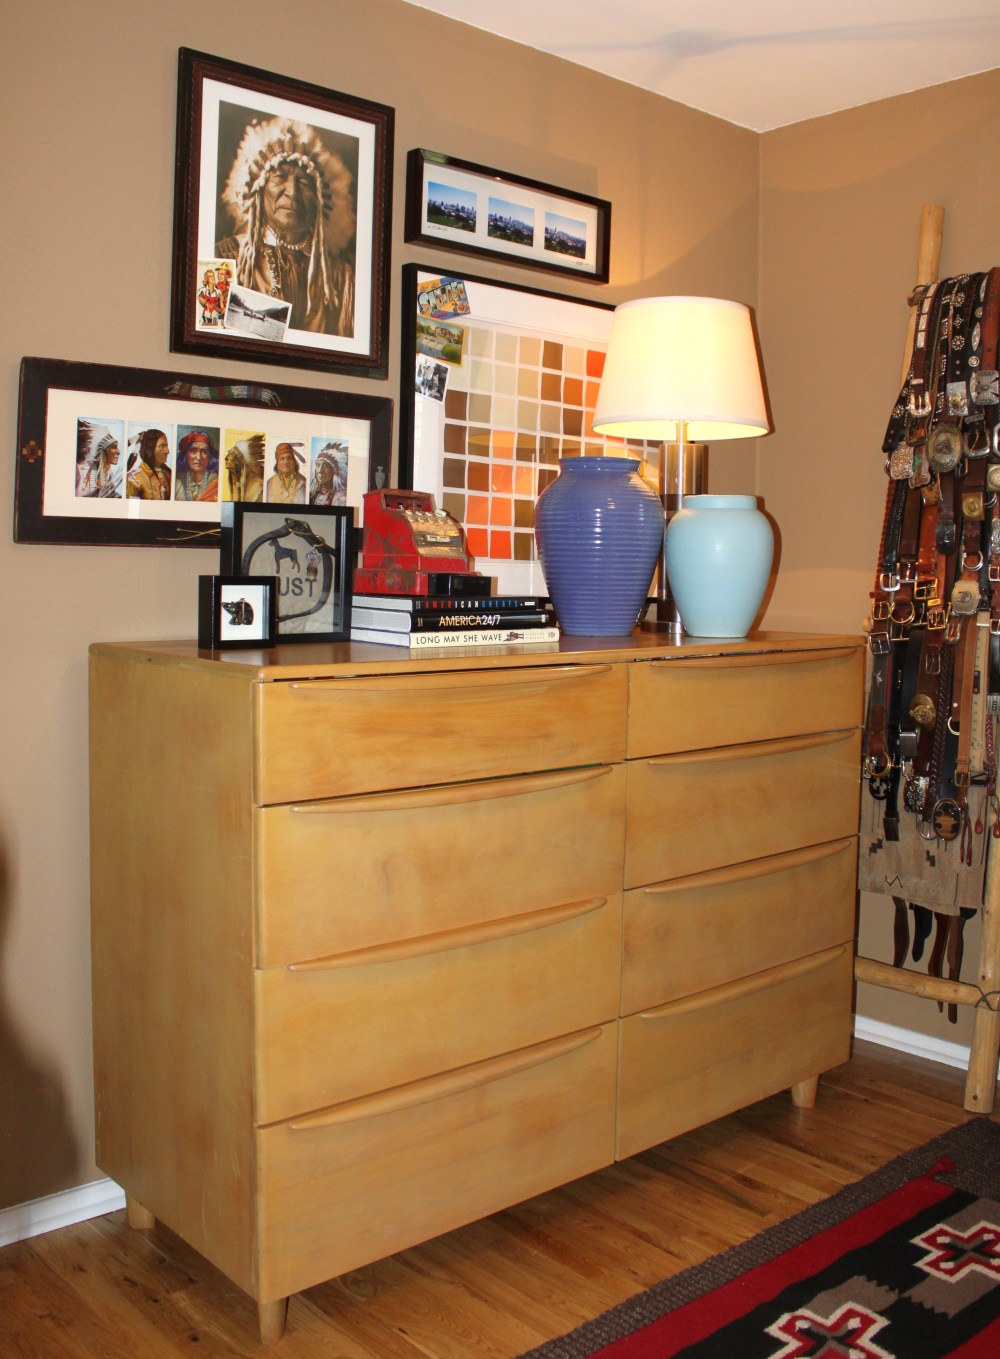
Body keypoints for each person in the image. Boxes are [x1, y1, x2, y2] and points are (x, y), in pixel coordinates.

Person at [216, 117, 356, 337]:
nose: (292, 192)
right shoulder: (226, 257)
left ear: (320, 200)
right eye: (280, 177)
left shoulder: (339, 277)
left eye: (304, 183)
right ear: (258, 191)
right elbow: (208, 332)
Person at [75, 421, 121, 498]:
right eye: (113, 447)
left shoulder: (107, 475)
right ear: (103, 451)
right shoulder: (80, 473)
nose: (118, 451)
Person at [126, 428, 171, 500]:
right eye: (162, 446)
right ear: (150, 450)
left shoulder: (168, 474)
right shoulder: (134, 479)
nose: (167, 451)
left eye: (167, 446)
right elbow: (133, 509)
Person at [174, 430, 219, 502]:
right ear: (186, 454)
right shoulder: (177, 479)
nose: (198, 457)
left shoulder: (216, 481)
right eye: (193, 451)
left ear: (210, 456)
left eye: (204, 452)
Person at [224, 435, 265, 502]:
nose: (226, 458)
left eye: (231, 455)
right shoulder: (236, 485)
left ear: (241, 463)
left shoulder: (259, 488)